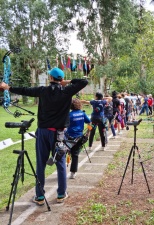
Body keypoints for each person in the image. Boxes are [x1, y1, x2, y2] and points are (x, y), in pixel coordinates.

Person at [0, 67, 88, 205]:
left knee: (41, 163)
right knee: (60, 162)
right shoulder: (67, 91)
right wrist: (67, 82)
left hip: (43, 132)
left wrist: (7, 87)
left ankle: (40, 197)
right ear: (60, 80)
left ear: (51, 79)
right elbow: (83, 82)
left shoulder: (43, 91)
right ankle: (60, 194)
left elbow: (24, 90)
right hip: (58, 134)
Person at [65, 98, 91, 179]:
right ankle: (73, 173)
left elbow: (64, 126)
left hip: (69, 138)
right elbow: (89, 122)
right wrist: (88, 133)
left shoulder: (69, 115)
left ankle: (61, 171)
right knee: (75, 155)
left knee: (62, 153)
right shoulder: (82, 113)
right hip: (79, 138)